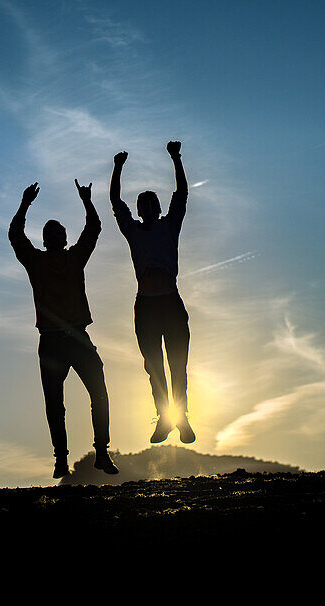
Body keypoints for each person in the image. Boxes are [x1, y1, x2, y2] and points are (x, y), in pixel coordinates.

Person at [9, 179, 119, 479]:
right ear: (45, 240)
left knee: (98, 393)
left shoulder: (74, 258)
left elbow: (93, 229)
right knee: (55, 405)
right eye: (51, 234)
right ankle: (60, 458)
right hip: (52, 341)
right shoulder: (37, 262)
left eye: (59, 232)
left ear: (65, 238)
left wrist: (87, 200)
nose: (56, 236)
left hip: (78, 338)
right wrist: (24, 204)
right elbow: (15, 236)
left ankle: (101, 452)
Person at [110, 141, 196, 445]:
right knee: (153, 366)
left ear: (157, 208)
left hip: (170, 302)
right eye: (141, 206)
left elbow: (182, 194)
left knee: (177, 364)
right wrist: (118, 167)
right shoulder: (133, 231)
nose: (146, 209)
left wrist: (176, 158)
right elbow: (115, 202)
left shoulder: (169, 226)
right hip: (146, 305)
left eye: (151, 205)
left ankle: (181, 417)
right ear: (138, 210)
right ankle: (164, 417)